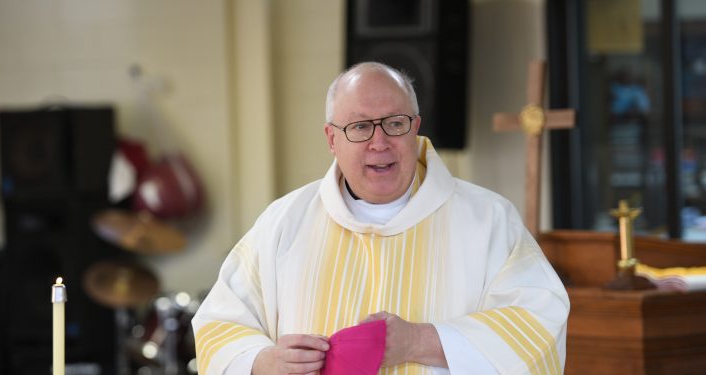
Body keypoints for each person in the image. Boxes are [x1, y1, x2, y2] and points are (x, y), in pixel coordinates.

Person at [192, 62, 570, 375]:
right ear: (331, 138)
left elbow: (539, 323)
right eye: (359, 127)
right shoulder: (284, 222)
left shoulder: (488, 219)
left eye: (394, 123)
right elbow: (217, 326)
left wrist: (421, 341)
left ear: (415, 127)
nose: (379, 142)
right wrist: (265, 362)